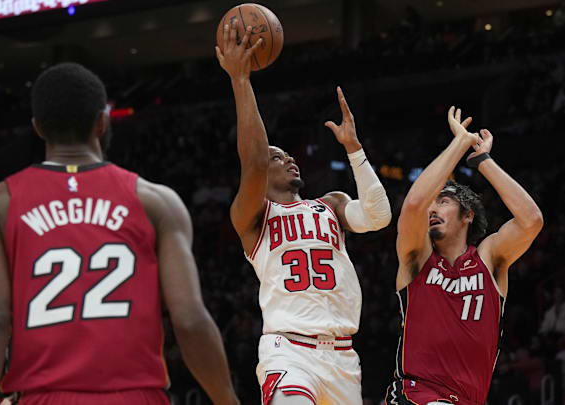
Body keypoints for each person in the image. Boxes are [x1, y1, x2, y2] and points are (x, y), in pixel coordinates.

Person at [0, 63, 239, 405]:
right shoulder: (157, 201)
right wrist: (227, 400)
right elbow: (190, 320)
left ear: (38, 129)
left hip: (42, 397)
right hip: (136, 396)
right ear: (102, 122)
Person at [215, 23, 391, 405]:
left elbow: (378, 217)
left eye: (290, 155)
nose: (289, 159)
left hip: (343, 355)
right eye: (279, 157)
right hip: (288, 350)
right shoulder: (254, 217)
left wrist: (355, 150)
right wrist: (241, 81)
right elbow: (254, 159)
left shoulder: (330, 204)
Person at [385, 108, 543, 405]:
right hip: (416, 394)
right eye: (433, 204)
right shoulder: (417, 257)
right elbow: (415, 204)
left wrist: (483, 161)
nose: (432, 209)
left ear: (468, 215)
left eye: (443, 202)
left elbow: (531, 220)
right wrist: (459, 143)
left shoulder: (489, 258)